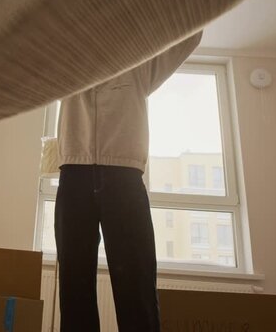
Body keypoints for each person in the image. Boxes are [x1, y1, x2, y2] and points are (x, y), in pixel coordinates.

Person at [54, 32, 202, 331]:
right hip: (75, 175)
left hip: (124, 178)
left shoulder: (139, 65)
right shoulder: (67, 66)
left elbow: (189, 35)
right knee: (74, 281)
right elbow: (26, 49)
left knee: (136, 281)